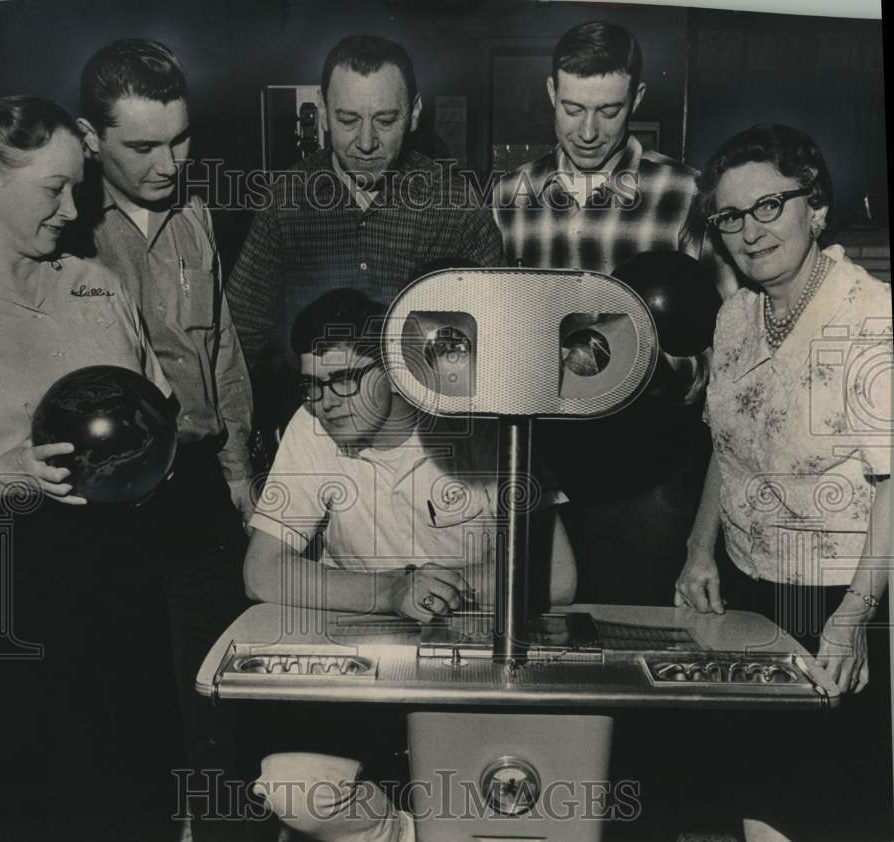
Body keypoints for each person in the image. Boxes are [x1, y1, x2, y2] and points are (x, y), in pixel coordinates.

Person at [0, 96, 179, 841]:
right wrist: (5, 474)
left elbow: (157, 415)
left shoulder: (94, 286)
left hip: (117, 598)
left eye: (78, 187)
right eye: (54, 188)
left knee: (129, 810)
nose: (72, 207)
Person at [242, 288, 577, 841]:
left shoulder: (480, 418)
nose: (324, 401)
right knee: (292, 787)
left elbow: (558, 578)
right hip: (366, 679)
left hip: (476, 676)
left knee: (518, 798)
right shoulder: (313, 424)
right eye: (311, 384)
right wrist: (392, 592)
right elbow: (262, 571)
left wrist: (452, 590)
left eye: (344, 379)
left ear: (398, 368)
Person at [675, 124, 892, 842]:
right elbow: (727, 447)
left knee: (819, 808)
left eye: (769, 206)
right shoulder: (735, 315)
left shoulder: (869, 317)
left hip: (838, 599)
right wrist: (699, 550)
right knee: (750, 799)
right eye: (730, 217)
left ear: (817, 207)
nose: (750, 230)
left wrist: (854, 618)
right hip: (746, 589)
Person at [72, 39, 253, 837]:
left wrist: (243, 471)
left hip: (202, 488)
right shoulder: (66, 227)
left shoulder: (197, 213)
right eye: (142, 146)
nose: (168, 162)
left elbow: (222, 351)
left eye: (180, 139)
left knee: (210, 692)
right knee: (120, 701)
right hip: (107, 500)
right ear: (89, 139)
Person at [493, 20, 731, 607]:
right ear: (551, 92)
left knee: (636, 628)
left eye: (609, 110)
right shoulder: (508, 197)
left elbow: (734, 340)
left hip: (647, 468)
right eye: (572, 108)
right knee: (537, 623)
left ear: (639, 100)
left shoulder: (686, 193)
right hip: (540, 464)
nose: (589, 130)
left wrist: (657, 371)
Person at [225, 34, 504, 454]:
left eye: (386, 120)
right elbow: (238, 342)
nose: (367, 142)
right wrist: (236, 461)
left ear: (414, 114)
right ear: (321, 111)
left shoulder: (457, 207)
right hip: (314, 436)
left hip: (428, 446)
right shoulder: (285, 203)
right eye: (348, 119)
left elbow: (496, 337)